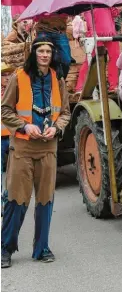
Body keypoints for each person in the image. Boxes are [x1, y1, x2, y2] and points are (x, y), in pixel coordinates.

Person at [1, 37, 71, 268]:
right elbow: (5, 110)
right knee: (16, 200)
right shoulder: (18, 77)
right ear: (33, 53)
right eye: (40, 50)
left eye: (48, 51)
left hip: (48, 149)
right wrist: (24, 126)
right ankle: (5, 249)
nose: (44, 55)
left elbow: (66, 113)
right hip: (22, 148)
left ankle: (41, 248)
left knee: (45, 200)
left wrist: (57, 128)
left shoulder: (57, 79)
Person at [32, 0, 72, 79]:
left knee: (66, 60)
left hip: (60, 32)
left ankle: (59, 82)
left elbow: (68, 13)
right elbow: (35, 15)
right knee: (43, 61)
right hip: (44, 31)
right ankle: (47, 84)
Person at [75, 8, 121, 93]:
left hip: (111, 32)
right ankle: (80, 87)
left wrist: (114, 6)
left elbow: (115, 14)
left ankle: (113, 85)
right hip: (95, 33)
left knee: (115, 57)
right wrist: (92, 32)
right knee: (91, 59)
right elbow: (87, 14)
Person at [1, 63, 15, 216]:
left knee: (14, 173)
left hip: (12, 138)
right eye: (3, 75)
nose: (6, 77)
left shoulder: (13, 92)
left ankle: (7, 200)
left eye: (8, 75)